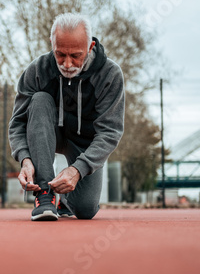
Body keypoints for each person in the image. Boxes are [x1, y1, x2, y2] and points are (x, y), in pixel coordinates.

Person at [9, 13, 125, 221]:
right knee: (40, 99)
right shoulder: (37, 70)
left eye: (76, 55)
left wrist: (77, 170)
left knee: (86, 209)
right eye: (60, 54)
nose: (68, 64)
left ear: (90, 48)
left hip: (84, 141)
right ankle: (44, 195)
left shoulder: (110, 75)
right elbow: (18, 123)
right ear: (52, 44)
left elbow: (110, 132)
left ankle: (65, 202)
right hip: (46, 131)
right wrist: (25, 159)